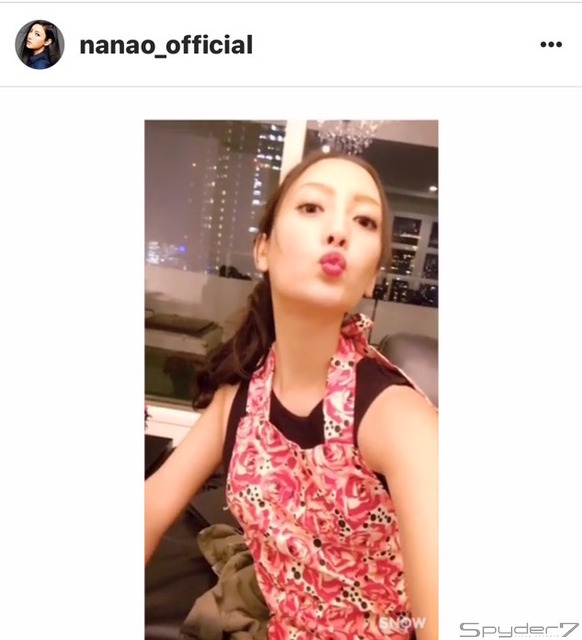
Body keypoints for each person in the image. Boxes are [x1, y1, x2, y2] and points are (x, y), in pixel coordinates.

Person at [145, 151, 438, 640]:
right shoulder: (241, 398)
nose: (339, 230)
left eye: (364, 220)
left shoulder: (400, 420)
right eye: (312, 208)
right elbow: (151, 507)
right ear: (263, 250)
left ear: (371, 276)